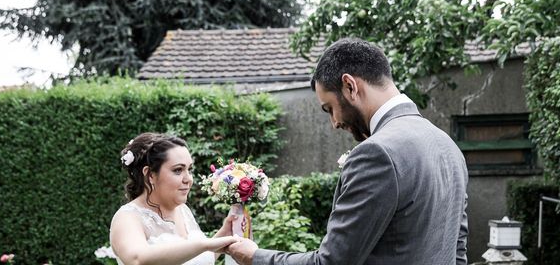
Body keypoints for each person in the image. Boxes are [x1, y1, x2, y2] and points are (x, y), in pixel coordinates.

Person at [227, 38, 469, 265]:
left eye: (329, 108)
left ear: (350, 86)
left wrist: (255, 257)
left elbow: (332, 262)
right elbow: (457, 253)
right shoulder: (448, 146)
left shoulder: (378, 153)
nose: (334, 122)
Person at [110, 132, 238, 265]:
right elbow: (137, 259)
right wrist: (205, 244)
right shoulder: (127, 218)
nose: (188, 179)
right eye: (178, 170)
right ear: (150, 175)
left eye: (189, 169)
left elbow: (196, 259)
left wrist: (225, 233)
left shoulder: (183, 210)